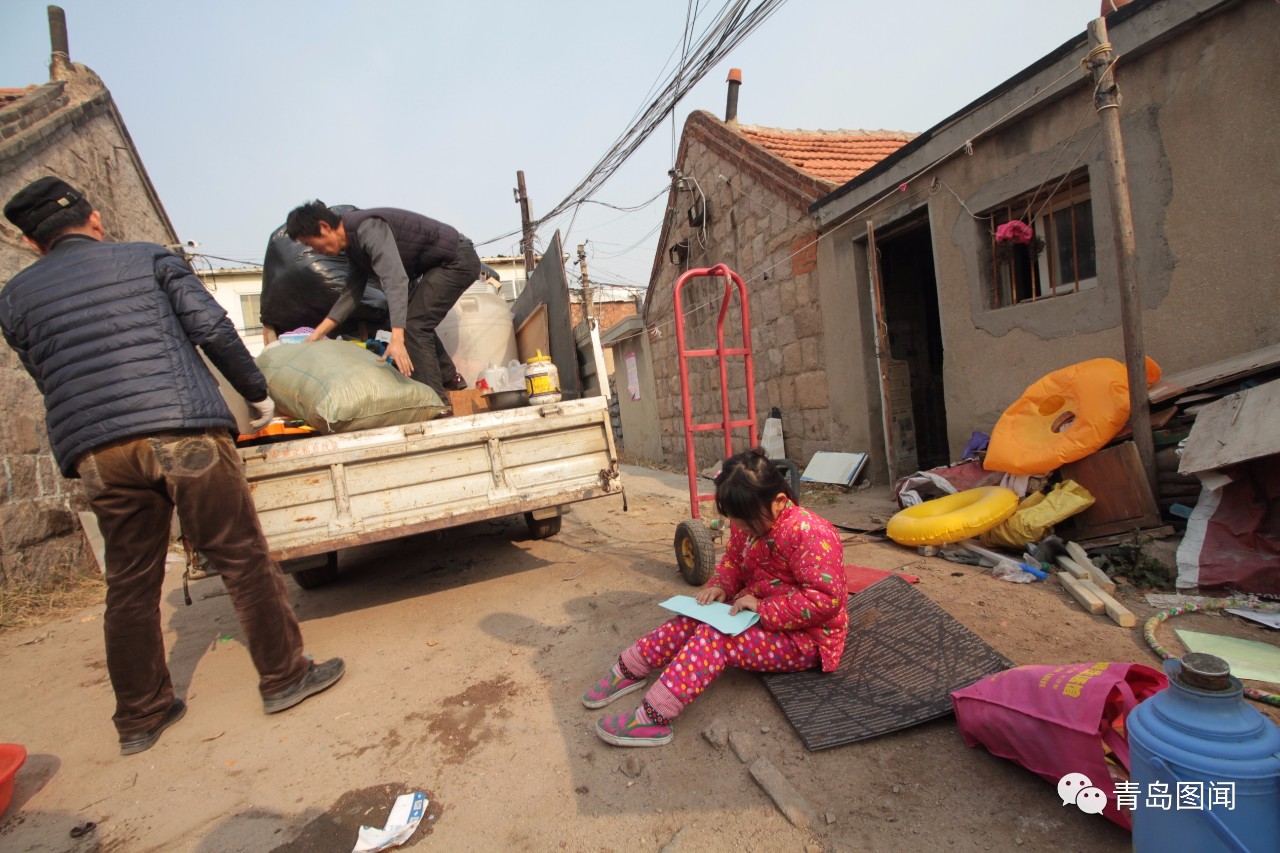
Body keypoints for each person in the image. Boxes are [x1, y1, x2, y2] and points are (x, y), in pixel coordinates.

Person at [1, 177, 345, 756]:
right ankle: (285, 677)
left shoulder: (14, 297)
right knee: (241, 556)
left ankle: (141, 716)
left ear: (34, 244)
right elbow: (212, 329)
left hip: (97, 451)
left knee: (130, 581)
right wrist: (257, 394)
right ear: (96, 220)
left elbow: (45, 373)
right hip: (181, 429)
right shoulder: (147, 259)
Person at [583, 448, 848, 747]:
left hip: (807, 639)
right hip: (757, 613)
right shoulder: (747, 523)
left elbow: (825, 599)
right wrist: (722, 584)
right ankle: (632, 667)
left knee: (715, 637)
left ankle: (653, 718)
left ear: (779, 503)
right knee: (693, 618)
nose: (739, 529)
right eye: (734, 520)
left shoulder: (811, 534)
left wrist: (764, 607)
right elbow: (734, 561)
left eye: (745, 522)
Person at [284, 200, 481, 399]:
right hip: (441, 265)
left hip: (457, 259)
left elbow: (395, 279)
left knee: (413, 325)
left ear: (324, 228)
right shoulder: (353, 246)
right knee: (413, 320)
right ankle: (450, 380)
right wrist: (316, 335)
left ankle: (437, 402)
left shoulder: (368, 228)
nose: (315, 251)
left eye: (310, 244)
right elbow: (351, 295)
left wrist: (397, 339)